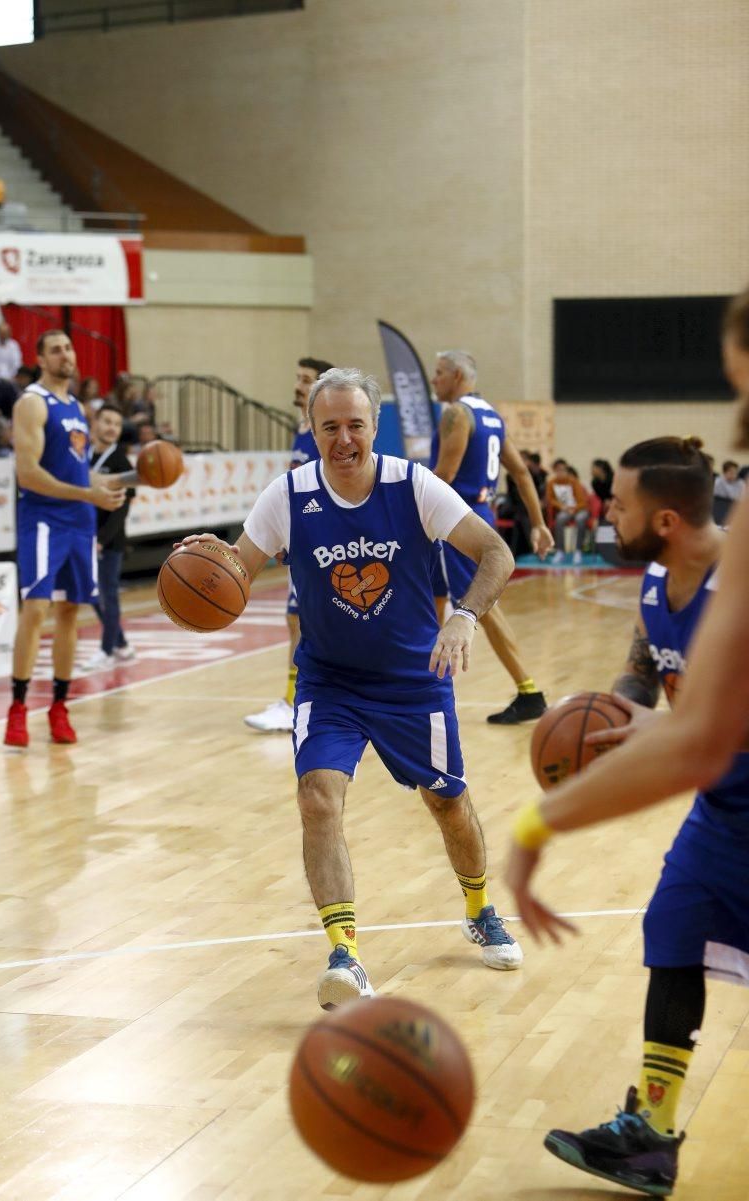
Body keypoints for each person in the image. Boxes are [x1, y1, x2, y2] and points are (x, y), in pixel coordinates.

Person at [185, 367, 524, 1007]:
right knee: (318, 799)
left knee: (447, 805)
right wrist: (213, 570)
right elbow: (234, 573)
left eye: (355, 425)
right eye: (329, 427)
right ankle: (345, 954)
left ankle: (479, 906)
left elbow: (496, 554)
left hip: (412, 683)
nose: (343, 439)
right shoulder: (287, 495)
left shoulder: (412, 484)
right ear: (311, 430)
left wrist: (464, 615)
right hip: (329, 682)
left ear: (374, 426)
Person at [505, 428, 749, 1197]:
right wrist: (610, 718)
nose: (608, 512)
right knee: (672, 929)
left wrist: (670, 730)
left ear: (667, 518)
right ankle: (649, 1133)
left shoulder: (738, 586)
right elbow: (643, 671)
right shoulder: (656, 581)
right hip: (724, 809)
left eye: (620, 503)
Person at [4, 331, 125, 749]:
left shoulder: (76, 408)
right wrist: (85, 493)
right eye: (56, 349)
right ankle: (18, 708)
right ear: (40, 358)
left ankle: (59, 706)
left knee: (72, 613)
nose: (66, 355)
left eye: (69, 348)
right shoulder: (32, 403)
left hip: (80, 521)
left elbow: (76, 474)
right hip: (43, 519)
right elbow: (28, 474)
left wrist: (103, 487)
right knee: (36, 608)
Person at [429, 350, 553, 724]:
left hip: (458, 519)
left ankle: (529, 690)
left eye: (438, 373)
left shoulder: (456, 414)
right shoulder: (491, 415)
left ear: (456, 375)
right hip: (477, 513)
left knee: (479, 605)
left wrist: (399, 503)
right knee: (432, 595)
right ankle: (430, 685)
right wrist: (539, 522)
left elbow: (443, 477)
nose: (434, 380)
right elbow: (521, 472)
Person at [244, 356, 334, 733]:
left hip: (319, 539)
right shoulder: (303, 428)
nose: (297, 385)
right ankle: (301, 700)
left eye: (305, 379)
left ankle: (297, 703)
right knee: (299, 619)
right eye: (297, 377)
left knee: (305, 619)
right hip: (305, 534)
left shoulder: (321, 431)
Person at [83, 404, 137, 671]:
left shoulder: (121, 462)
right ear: (95, 423)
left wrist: (102, 539)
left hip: (109, 541)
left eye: (117, 423)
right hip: (83, 536)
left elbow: (122, 509)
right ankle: (122, 644)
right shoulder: (85, 455)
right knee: (92, 596)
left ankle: (106, 651)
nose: (111, 427)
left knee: (108, 595)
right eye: (107, 421)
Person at [545, 457, 591, 564]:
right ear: (554, 471)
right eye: (558, 470)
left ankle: (578, 551)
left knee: (580, 519)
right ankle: (560, 551)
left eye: (563, 469)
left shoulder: (573, 482)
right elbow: (550, 499)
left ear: (566, 470)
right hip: (565, 510)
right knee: (560, 519)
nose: (561, 472)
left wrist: (573, 509)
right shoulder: (551, 483)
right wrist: (561, 507)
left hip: (579, 509)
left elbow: (583, 501)